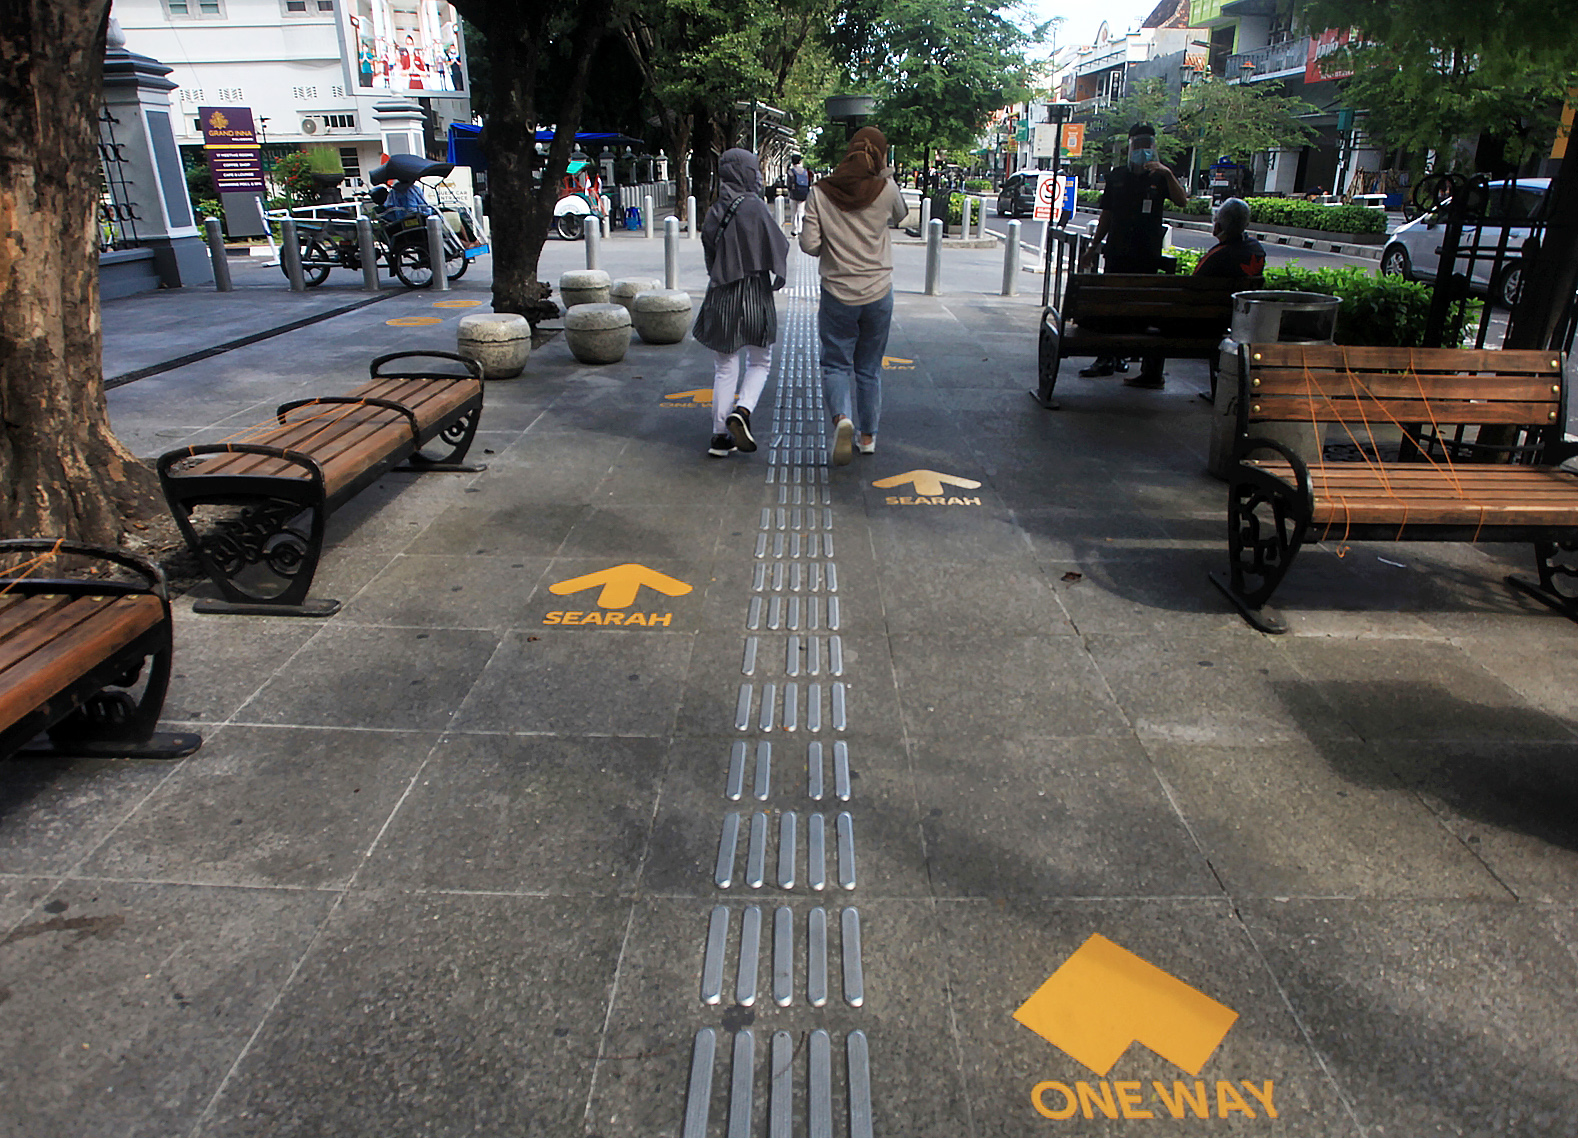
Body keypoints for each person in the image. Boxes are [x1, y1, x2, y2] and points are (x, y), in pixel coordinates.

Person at [800, 127, 909, 464]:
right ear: (880, 153)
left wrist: (833, 245)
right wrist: (886, 175)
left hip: (837, 292)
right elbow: (902, 215)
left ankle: (841, 419)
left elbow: (808, 244)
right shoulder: (886, 188)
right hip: (878, 292)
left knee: (835, 363)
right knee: (869, 368)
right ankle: (867, 436)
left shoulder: (820, 192)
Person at [692, 148, 789, 459]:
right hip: (754, 293)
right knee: (760, 361)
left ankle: (720, 436)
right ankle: (743, 411)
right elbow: (779, 244)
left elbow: (709, 251)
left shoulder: (715, 209)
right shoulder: (755, 207)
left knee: (724, 365)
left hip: (721, 293)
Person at [1078, 122, 1188, 387]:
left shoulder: (1161, 178)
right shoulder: (1117, 177)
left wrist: (1167, 173)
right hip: (1118, 251)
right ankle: (1105, 358)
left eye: (1147, 145)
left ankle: (1124, 355)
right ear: (1130, 147)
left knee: (1139, 307)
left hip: (1147, 254)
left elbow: (1182, 201)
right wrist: (1093, 248)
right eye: (1138, 145)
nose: (1143, 150)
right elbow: (1107, 215)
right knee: (1111, 304)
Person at [1193, 198, 1266, 279]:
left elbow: (1194, 281)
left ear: (1218, 227)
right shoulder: (1257, 250)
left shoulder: (1215, 257)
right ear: (1246, 224)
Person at [786, 153, 811, 236]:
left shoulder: (790, 172)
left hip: (793, 195)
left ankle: (794, 229)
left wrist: (790, 190)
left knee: (794, 213)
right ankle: (800, 229)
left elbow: (788, 184)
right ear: (800, 161)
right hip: (803, 194)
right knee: (801, 212)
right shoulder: (805, 172)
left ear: (792, 162)